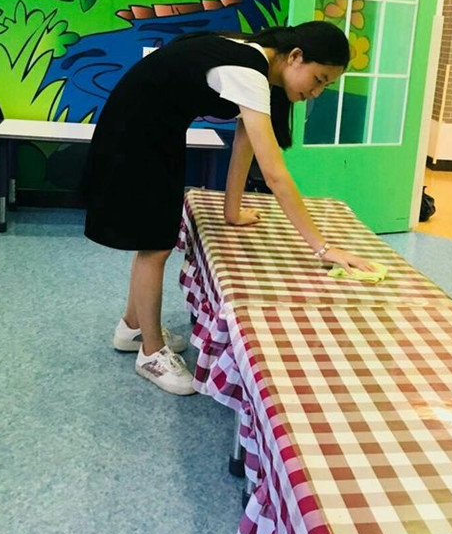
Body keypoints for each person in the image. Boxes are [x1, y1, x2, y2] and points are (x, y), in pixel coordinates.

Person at [82, 22, 377, 395]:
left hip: (155, 133)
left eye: (325, 86)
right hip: (135, 136)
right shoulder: (248, 71)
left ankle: (132, 328)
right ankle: (151, 353)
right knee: (154, 246)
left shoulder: (256, 63)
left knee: (155, 240)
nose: (315, 92)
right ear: (296, 57)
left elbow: (244, 142)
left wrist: (231, 212)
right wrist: (323, 248)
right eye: (318, 79)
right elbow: (275, 175)